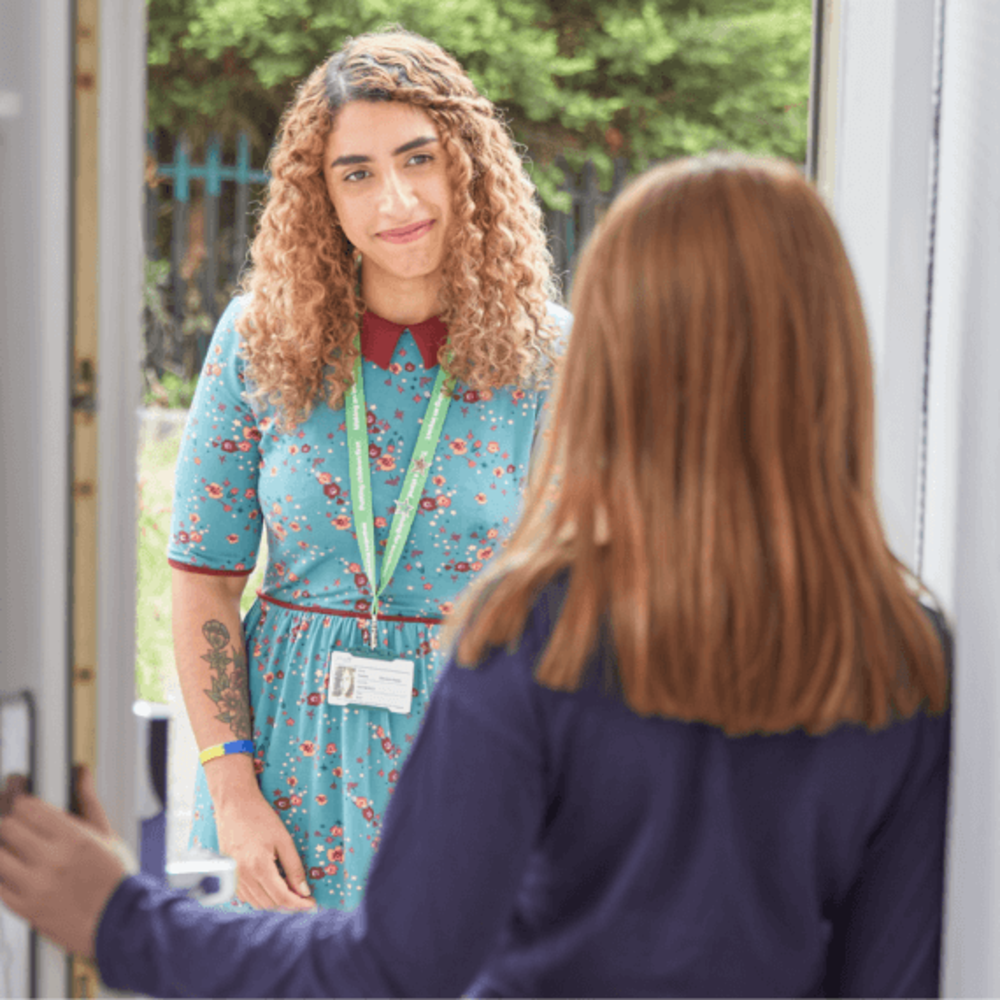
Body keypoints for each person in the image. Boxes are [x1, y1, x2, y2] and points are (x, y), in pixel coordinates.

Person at [0, 152, 951, 998]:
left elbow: (395, 967)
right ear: (834, 353)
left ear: (615, 355)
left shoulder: (546, 628)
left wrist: (115, 916)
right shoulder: (903, 651)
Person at [166, 27, 569, 912]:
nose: (396, 199)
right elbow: (202, 583)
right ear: (323, 196)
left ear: (465, 161)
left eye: (418, 158)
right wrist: (234, 804)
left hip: (474, 776)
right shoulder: (254, 340)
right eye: (356, 172)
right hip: (281, 784)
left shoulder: (554, 358)